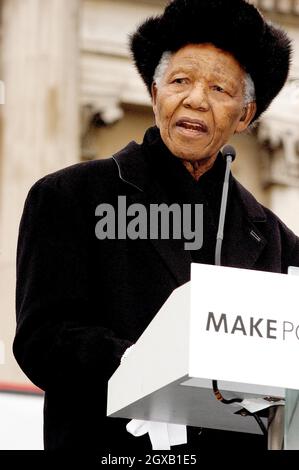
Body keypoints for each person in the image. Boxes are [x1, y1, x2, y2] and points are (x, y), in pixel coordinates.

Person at [13, 0, 299, 453]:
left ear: (245, 116)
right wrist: (144, 370)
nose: (196, 99)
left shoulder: (279, 243)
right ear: (154, 92)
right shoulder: (70, 197)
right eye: (180, 81)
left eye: (220, 89)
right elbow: (42, 341)